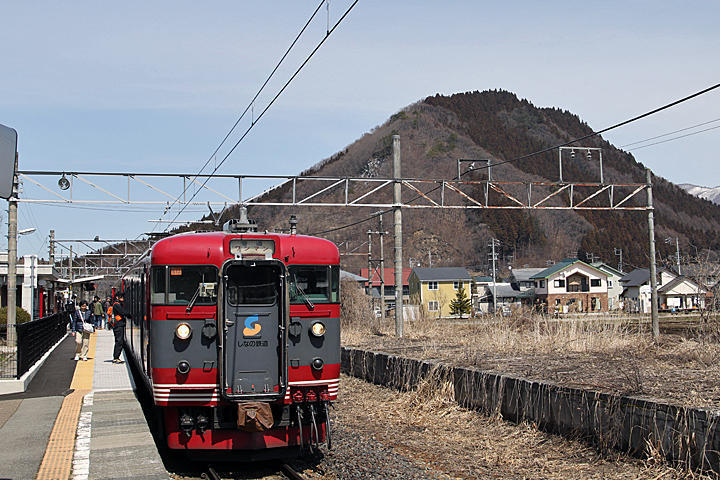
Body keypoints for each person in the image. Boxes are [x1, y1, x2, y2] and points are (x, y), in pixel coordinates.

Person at [110, 292, 129, 364]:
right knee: (119, 341)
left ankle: (116, 357)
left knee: (119, 341)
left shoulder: (117, 304)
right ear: (117, 297)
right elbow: (122, 312)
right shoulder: (117, 305)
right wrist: (129, 315)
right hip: (118, 325)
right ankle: (116, 357)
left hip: (119, 325)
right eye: (121, 297)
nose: (123, 299)